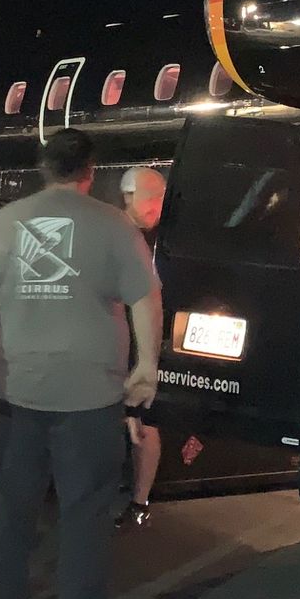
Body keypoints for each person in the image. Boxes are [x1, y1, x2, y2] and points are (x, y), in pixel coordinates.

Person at [0, 128, 161, 599]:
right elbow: (145, 298)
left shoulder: (0, 225)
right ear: (90, 172)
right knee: (86, 516)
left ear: (42, 168)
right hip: (91, 397)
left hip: (14, 390)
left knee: (8, 513)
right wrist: (147, 365)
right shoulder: (115, 227)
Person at [117, 165, 167, 527]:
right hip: (113, 341)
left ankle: (139, 501)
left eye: (159, 201)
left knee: (144, 422)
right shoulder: (115, 234)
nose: (154, 208)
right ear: (127, 197)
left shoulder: (159, 240)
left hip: (140, 343)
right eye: (148, 199)